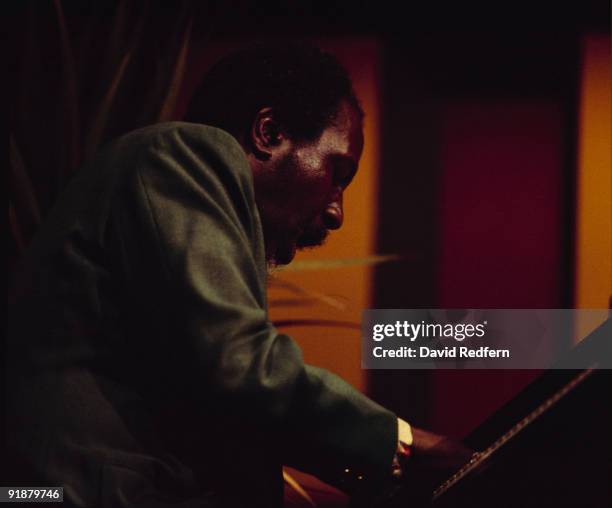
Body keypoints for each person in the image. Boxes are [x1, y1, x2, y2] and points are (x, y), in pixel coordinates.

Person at [6, 43, 470, 508]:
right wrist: (402, 445)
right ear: (268, 132)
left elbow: (219, 402)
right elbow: (238, 364)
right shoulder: (186, 153)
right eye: (336, 172)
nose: (336, 213)